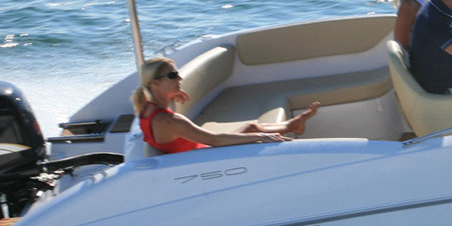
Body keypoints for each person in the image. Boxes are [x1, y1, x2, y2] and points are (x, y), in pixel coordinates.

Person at [131, 56, 319, 154]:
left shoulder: (146, 109)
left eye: (178, 74)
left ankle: (291, 125)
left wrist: (172, 93)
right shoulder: (169, 120)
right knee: (257, 136)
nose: (180, 78)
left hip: (198, 153)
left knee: (251, 127)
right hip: (207, 158)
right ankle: (294, 136)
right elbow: (215, 140)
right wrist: (260, 137)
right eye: (173, 76)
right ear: (155, 83)